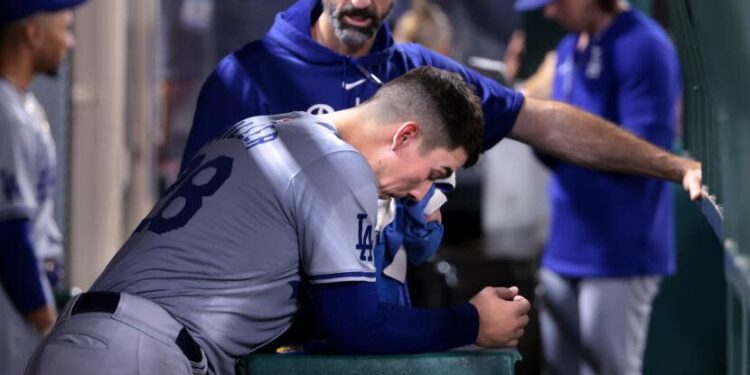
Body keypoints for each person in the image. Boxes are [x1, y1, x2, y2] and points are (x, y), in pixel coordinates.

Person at [180, 0, 702, 309]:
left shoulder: (422, 78)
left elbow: (541, 120)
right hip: (269, 333)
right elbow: (192, 224)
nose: (363, 1)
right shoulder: (246, 77)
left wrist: (672, 165)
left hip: (379, 334)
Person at [26, 67, 533, 375]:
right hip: (140, 355)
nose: (424, 191)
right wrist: (471, 321)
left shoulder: (261, 128)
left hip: (83, 342)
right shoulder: (341, 163)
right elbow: (358, 326)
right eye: (436, 171)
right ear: (404, 136)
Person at [511, 0, 682, 374]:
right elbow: (556, 151)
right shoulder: (570, 48)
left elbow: (644, 155)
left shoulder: (643, 45)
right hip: (565, 245)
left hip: (618, 250)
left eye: (555, 3)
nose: (549, 14)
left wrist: (559, 139)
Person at [0, 1, 87, 374]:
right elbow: (9, 233)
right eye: (65, 28)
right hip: (12, 310)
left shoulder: (22, 105)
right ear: (33, 33)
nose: (70, 42)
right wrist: (45, 318)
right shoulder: (6, 114)